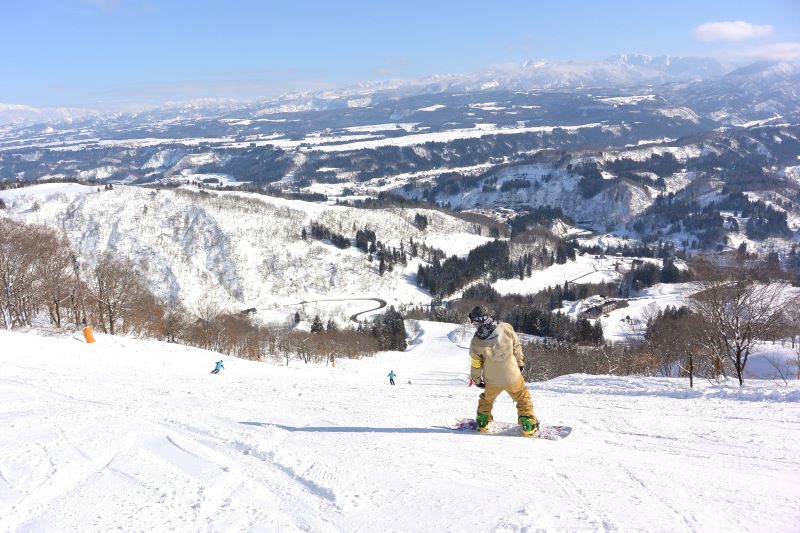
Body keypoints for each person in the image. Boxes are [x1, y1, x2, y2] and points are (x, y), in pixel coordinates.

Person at [467, 306, 538, 437]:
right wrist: (520, 364)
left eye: (474, 323)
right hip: (512, 376)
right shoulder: (506, 327)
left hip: (492, 380)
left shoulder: (476, 342)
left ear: (477, 321)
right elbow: (516, 347)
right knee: (522, 398)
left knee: (486, 400)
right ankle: (528, 425)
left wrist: (477, 380)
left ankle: (483, 423)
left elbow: (476, 364)